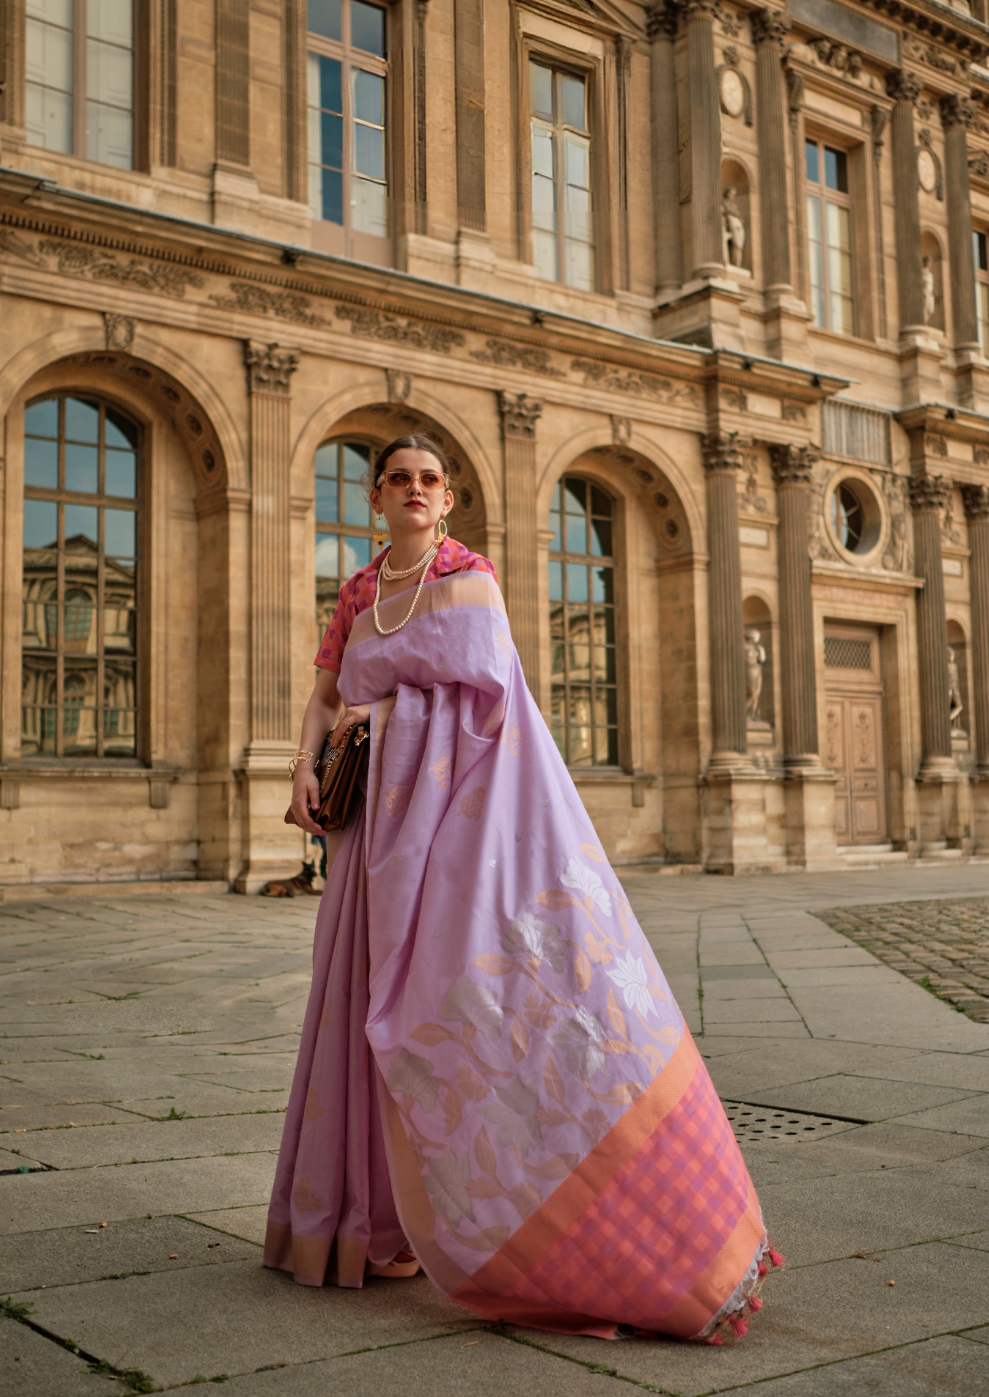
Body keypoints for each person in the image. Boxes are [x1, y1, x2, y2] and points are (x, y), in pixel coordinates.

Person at [264, 435, 779, 1341]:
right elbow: (327, 694)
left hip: (455, 823)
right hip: (371, 828)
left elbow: (496, 704)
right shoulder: (356, 590)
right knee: (353, 1004)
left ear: (448, 498)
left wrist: (392, 718)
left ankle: (610, 1229)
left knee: (467, 1007)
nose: (415, 489)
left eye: (430, 480)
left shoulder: (471, 577)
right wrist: (304, 764)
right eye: (398, 479)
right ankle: (364, 1223)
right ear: (376, 496)